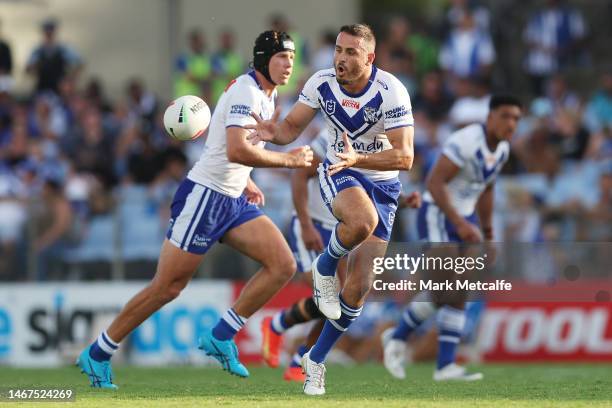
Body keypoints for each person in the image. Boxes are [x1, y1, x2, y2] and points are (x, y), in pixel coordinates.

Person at [76, 30, 313, 388]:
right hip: (204, 196)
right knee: (168, 287)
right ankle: (97, 353)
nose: (289, 64)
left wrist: (246, 178)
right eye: (282, 57)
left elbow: (230, 146)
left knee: (283, 264)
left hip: (232, 198)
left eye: (292, 58)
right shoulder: (247, 91)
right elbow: (235, 149)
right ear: (265, 59)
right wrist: (289, 160)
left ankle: (221, 335)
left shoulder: (268, 93)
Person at [246, 24, 414, 395]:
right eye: (339, 50)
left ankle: (315, 361)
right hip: (339, 169)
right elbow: (291, 127)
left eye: (351, 52)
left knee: (358, 289)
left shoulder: (392, 91)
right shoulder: (321, 83)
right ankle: (325, 265)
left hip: (383, 183)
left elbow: (405, 156)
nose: (341, 58)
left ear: (369, 57)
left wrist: (364, 156)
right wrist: (272, 133)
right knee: (361, 221)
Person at [382, 95, 523, 381]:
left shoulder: (503, 150)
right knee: (447, 284)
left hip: (466, 219)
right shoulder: (467, 141)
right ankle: (397, 338)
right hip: (437, 213)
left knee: (458, 290)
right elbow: (434, 183)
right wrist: (458, 222)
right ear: (491, 116)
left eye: (516, 118)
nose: (511, 124)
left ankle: (442, 364)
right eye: (506, 116)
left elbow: (486, 190)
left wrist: (488, 233)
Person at [260, 133, 422, 382]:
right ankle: (277, 326)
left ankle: (299, 359)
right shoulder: (331, 137)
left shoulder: (378, 141)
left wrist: (403, 199)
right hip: (313, 225)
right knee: (325, 295)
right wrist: (304, 224)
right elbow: (300, 175)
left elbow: (371, 185)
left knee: (340, 301)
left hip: (342, 231)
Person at [25, 18, 83, 95]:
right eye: (47, 31)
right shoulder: (38, 50)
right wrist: (34, 69)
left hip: (60, 89)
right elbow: (28, 69)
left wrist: (70, 79)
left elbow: (80, 63)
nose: (49, 34)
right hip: (43, 86)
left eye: (51, 31)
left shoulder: (63, 49)